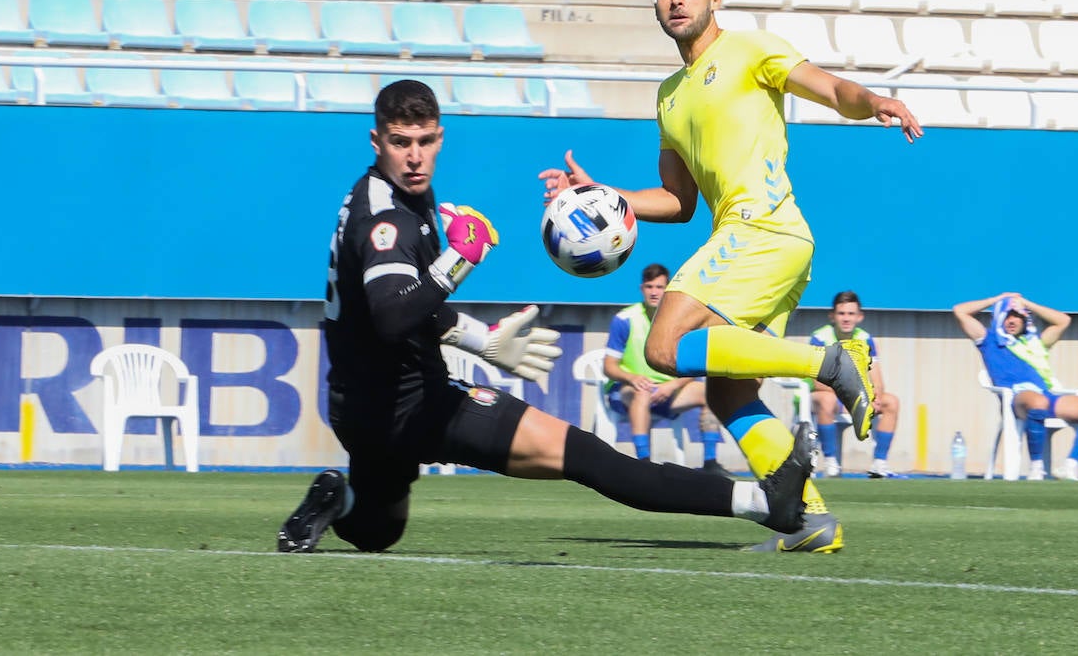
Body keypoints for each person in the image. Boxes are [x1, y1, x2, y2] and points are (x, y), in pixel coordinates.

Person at [277, 80, 814, 554]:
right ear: (377, 142)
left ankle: (337, 495)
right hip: (406, 405)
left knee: (377, 529)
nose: (414, 157)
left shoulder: (398, 193)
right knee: (586, 455)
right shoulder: (387, 215)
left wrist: (480, 339)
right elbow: (394, 317)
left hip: (367, 405)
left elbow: (394, 310)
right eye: (400, 143)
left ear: (440, 138)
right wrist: (458, 260)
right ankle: (768, 502)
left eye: (424, 141)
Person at [539, 0, 922, 552]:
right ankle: (807, 520)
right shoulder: (668, 96)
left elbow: (826, 88)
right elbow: (678, 201)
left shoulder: (749, 49)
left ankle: (832, 365)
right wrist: (601, 197)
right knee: (728, 390)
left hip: (761, 228)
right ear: (656, 7)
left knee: (664, 344)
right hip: (765, 243)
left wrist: (874, 101)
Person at [952, 293, 1078, 481]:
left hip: (1044, 396)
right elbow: (960, 311)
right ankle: (1037, 468)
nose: (1012, 320)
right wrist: (999, 300)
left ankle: (1070, 465)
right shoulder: (989, 340)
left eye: (1017, 316)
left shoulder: (1035, 344)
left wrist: (1025, 303)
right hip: (1016, 399)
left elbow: (1063, 321)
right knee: (1037, 401)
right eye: (1007, 315)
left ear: (1025, 319)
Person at [604, 262, 731, 476]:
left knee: (712, 393)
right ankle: (643, 462)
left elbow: (694, 366)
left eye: (659, 287)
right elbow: (609, 367)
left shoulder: (681, 321)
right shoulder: (625, 319)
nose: (654, 292)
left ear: (668, 289)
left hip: (668, 392)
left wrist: (672, 385)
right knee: (641, 392)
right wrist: (632, 378)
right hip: (629, 391)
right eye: (649, 287)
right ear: (642, 289)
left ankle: (710, 461)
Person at [808, 291, 901, 478]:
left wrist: (874, 397)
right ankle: (831, 463)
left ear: (859, 317)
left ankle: (879, 464)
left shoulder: (865, 339)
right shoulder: (820, 337)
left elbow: (877, 378)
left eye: (851, 314)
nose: (846, 319)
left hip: (853, 396)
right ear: (832, 316)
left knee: (891, 402)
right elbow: (818, 382)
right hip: (819, 397)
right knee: (827, 400)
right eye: (841, 313)